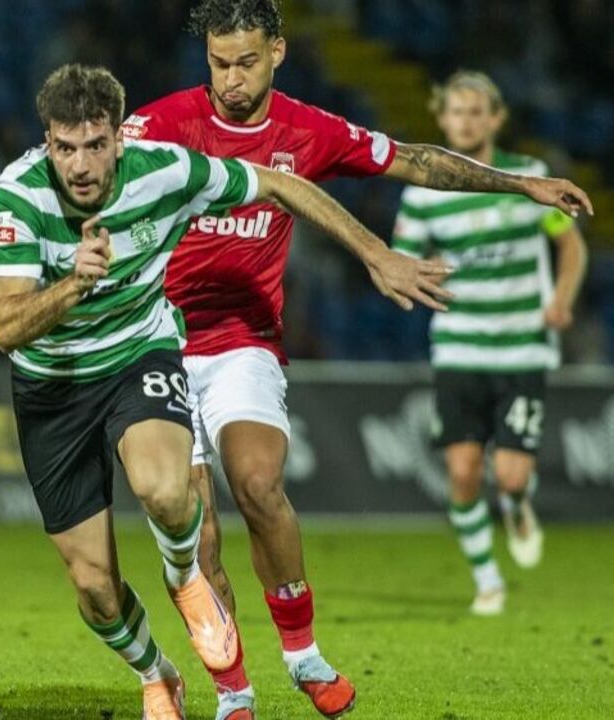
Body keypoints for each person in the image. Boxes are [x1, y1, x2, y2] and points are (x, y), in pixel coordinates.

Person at [121, 2, 593, 716]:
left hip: (244, 338)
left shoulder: (308, 131)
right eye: (218, 64)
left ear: (277, 52)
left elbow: (414, 159)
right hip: (156, 343)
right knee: (196, 531)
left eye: (246, 62)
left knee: (259, 485)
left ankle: (303, 654)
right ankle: (233, 692)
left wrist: (520, 184)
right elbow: (84, 173)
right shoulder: (160, 124)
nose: (231, 80)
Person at [0, 63, 449, 720]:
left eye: (95, 145)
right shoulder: (20, 193)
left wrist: (375, 252)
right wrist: (74, 285)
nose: (81, 164)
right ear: (47, 142)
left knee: (166, 491)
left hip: (137, 354)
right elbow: (4, 327)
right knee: (94, 588)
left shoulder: (167, 171)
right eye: (65, 147)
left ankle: (185, 578)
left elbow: (280, 183)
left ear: (120, 138)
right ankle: (157, 673)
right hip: (52, 387)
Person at [392, 71, 588, 616]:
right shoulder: (423, 193)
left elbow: (570, 247)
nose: (466, 121)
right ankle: (487, 581)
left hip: (523, 347)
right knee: (461, 473)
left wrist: (562, 299)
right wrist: (419, 272)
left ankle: (518, 503)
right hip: (459, 348)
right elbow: (402, 258)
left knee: (510, 476)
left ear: (496, 118)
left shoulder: (531, 179)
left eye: (476, 111)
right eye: (456, 112)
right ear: (442, 119)